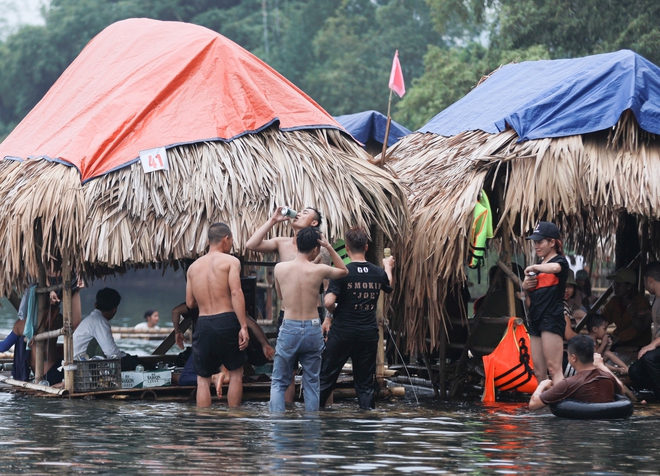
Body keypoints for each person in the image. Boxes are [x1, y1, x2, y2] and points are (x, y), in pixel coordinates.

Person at [246, 206, 325, 403]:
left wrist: (328, 318)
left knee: (316, 374)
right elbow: (251, 244)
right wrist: (273, 220)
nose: (299, 213)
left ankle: (321, 416)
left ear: (314, 223)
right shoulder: (282, 243)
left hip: (313, 314)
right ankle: (286, 417)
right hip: (287, 316)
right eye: (299, 211)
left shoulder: (320, 246)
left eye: (306, 213)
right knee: (286, 372)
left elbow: (330, 285)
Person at [269, 227, 348, 412]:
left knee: (279, 382)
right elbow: (343, 271)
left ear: (296, 244)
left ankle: (277, 429)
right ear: (315, 249)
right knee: (312, 382)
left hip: (289, 326)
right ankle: (312, 429)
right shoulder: (319, 270)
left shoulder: (280, 268)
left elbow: (280, 295)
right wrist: (328, 247)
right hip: (313, 328)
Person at [319, 227, 394, 410]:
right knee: (365, 385)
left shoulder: (342, 272)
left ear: (346, 247)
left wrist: (335, 311)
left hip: (342, 333)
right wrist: (388, 267)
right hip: (367, 334)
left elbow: (328, 302)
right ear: (366, 247)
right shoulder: (377, 272)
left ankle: (312, 417)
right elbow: (389, 286)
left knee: (326, 379)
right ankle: (367, 423)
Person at [186, 222, 250, 408]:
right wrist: (244, 326)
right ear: (226, 239)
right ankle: (234, 424)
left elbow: (190, 303)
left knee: (203, 379)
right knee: (236, 373)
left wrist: (206, 298)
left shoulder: (193, 268)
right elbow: (236, 292)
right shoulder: (231, 261)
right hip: (227, 320)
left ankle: (203, 429)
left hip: (204, 322)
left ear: (208, 241)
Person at [522, 221, 569, 385]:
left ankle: (562, 405)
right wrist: (525, 285)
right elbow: (528, 291)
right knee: (539, 371)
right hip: (535, 320)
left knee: (554, 368)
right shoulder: (539, 267)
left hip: (551, 318)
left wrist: (535, 267)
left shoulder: (560, 262)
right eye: (535, 242)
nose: (536, 246)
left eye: (540, 242)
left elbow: (555, 268)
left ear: (552, 242)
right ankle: (546, 406)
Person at [529, 335, 622, 410]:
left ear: (573, 358)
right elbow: (621, 389)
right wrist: (602, 366)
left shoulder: (569, 383)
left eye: (568, 355)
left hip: (581, 429)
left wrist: (542, 385)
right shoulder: (608, 378)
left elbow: (533, 404)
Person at [0, 293, 64, 384]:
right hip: (54, 371)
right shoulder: (57, 319)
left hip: (39, 374)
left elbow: (3, 347)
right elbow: (74, 326)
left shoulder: (21, 324)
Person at [73, 288, 140, 370]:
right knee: (133, 361)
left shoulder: (91, 319)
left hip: (80, 362)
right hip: (83, 366)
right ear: (114, 310)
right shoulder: (100, 322)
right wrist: (126, 356)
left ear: (95, 305)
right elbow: (111, 353)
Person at [629, 262, 660, 399]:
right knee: (635, 370)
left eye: (644, 282)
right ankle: (653, 392)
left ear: (649, 280)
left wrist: (652, 344)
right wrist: (644, 311)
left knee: (649, 358)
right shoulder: (656, 299)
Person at [601, 267, 652, 349]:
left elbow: (639, 329)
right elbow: (604, 320)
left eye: (618, 284)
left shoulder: (641, 302)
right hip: (620, 343)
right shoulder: (614, 301)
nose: (614, 287)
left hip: (639, 346)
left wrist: (618, 337)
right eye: (614, 284)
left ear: (628, 286)